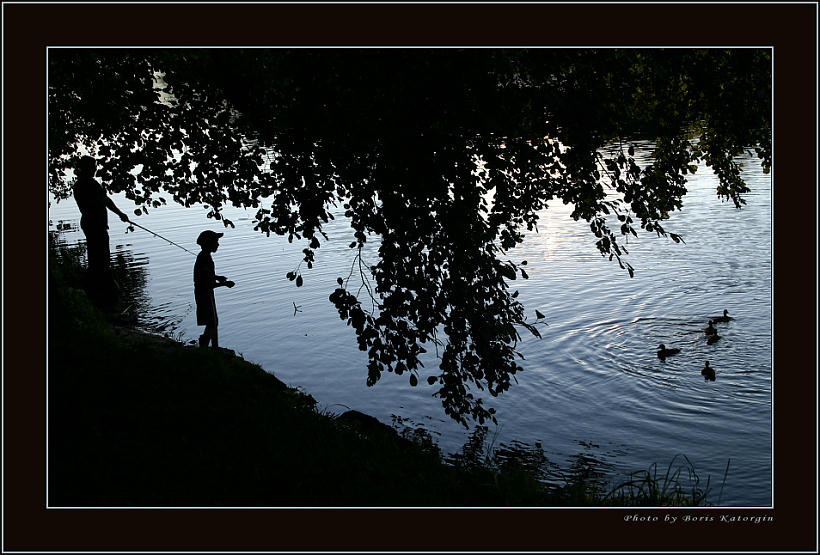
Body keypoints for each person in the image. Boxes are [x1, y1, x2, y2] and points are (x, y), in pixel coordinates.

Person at [73, 155, 130, 302]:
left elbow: (103, 200)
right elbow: (104, 200)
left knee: (96, 258)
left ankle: (98, 290)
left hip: (89, 223)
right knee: (101, 258)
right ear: (86, 167)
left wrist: (119, 214)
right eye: (93, 166)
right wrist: (120, 213)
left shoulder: (80, 184)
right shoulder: (89, 184)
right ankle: (104, 293)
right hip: (95, 224)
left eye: (95, 166)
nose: (95, 168)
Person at [194, 230, 234, 348]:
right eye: (216, 242)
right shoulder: (204, 258)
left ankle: (209, 345)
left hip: (204, 292)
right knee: (212, 322)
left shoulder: (205, 256)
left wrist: (217, 277)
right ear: (209, 243)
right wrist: (225, 284)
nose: (218, 244)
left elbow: (206, 276)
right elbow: (207, 283)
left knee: (212, 321)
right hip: (204, 293)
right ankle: (209, 346)